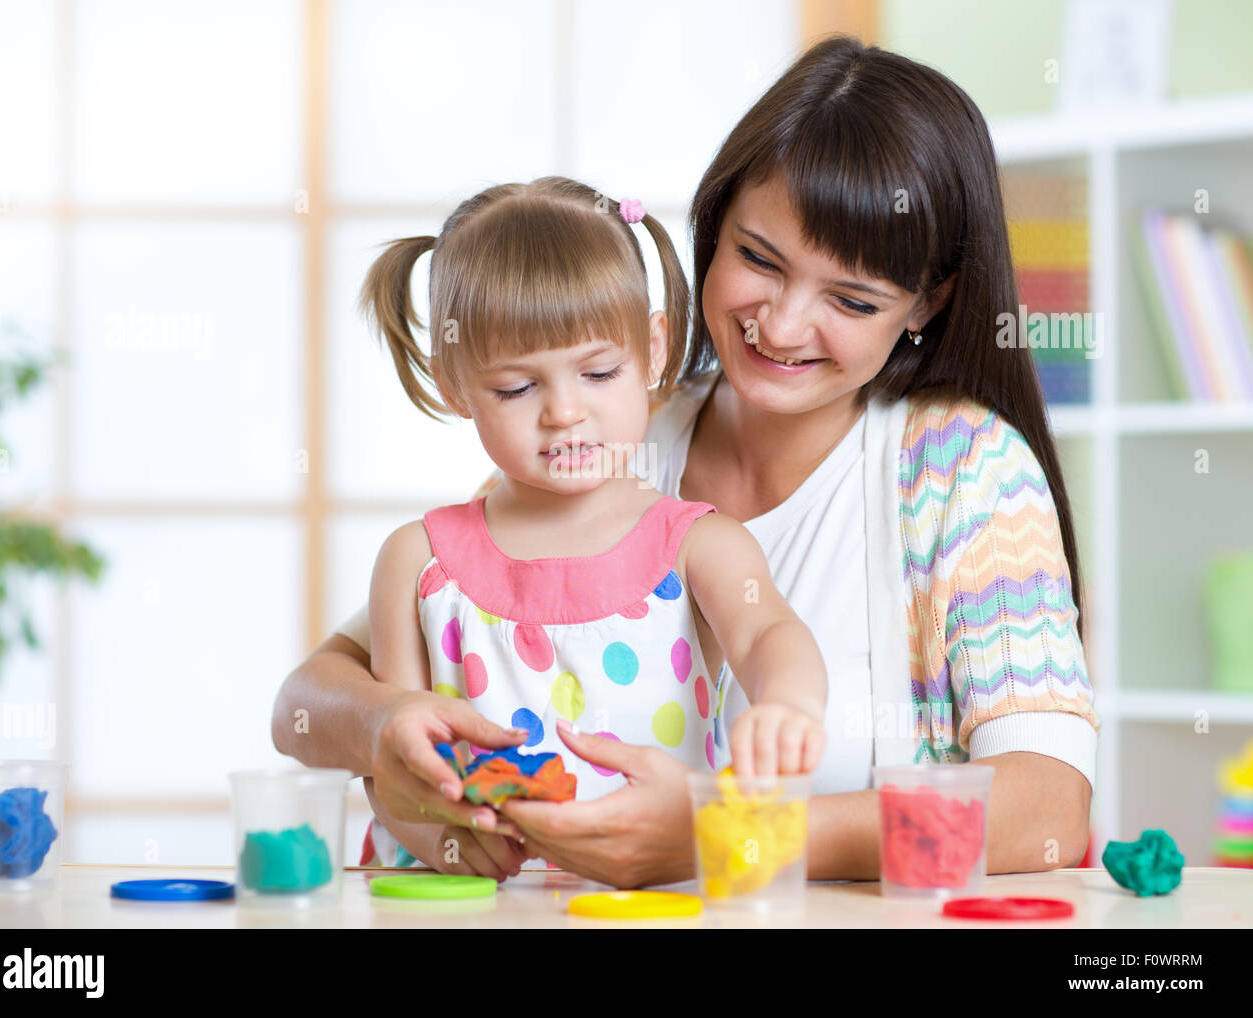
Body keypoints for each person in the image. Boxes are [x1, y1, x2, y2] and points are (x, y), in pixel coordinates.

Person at [273, 35, 1100, 887]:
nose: (779, 327)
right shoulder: (605, 432)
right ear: (714, 221)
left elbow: (1047, 810)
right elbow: (305, 705)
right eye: (757, 259)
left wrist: (732, 833)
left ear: (928, 303)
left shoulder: (963, 472)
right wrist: (390, 732)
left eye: (851, 299)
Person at [350, 176, 827, 875]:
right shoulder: (415, 562)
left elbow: (768, 634)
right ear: (452, 381)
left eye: (600, 373)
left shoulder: (698, 544)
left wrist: (789, 702)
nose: (564, 412)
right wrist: (436, 829)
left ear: (655, 348)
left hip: (655, 910)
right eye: (517, 388)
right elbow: (392, 767)